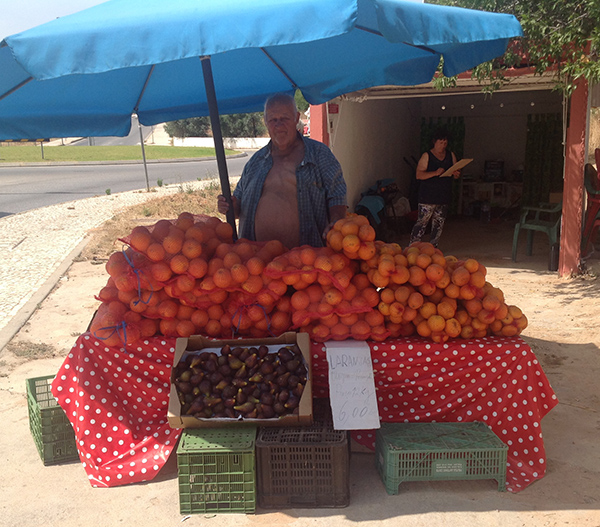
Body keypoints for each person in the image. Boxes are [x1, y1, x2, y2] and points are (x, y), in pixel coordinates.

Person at [217, 93, 347, 249]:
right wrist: (229, 206)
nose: (279, 125)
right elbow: (237, 208)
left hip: (307, 262)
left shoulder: (319, 154)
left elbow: (337, 196)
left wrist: (336, 222)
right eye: (273, 120)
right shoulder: (255, 162)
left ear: (296, 117)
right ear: (265, 122)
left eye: (285, 118)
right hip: (256, 262)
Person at [409, 128, 460, 248]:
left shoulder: (450, 155)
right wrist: (435, 173)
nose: (443, 146)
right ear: (434, 142)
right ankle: (413, 247)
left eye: (445, 143)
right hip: (428, 195)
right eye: (440, 143)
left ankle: (433, 247)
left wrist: (456, 174)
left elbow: (456, 171)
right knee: (422, 222)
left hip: (443, 194)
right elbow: (419, 175)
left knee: (439, 223)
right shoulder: (427, 155)